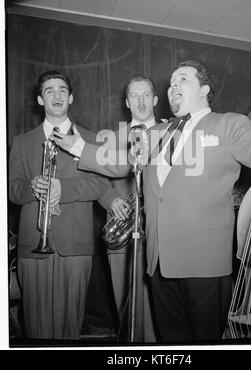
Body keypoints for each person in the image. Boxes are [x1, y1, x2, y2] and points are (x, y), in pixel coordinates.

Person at [54, 61, 251, 342]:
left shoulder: (229, 124)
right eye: (171, 82)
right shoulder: (157, 133)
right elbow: (123, 163)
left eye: (183, 79)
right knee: (171, 341)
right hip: (159, 264)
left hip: (203, 264)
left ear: (204, 89)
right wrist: (82, 147)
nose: (173, 86)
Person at [8, 70, 117, 340]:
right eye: (49, 91)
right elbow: (12, 190)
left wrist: (62, 188)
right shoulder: (22, 142)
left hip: (75, 243)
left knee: (70, 326)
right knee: (35, 325)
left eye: (61, 90)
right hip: (32, 244)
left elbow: (101, 185)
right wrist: (31, 187)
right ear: (40, 100)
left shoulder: (90, 139)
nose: (56, 95)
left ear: (71, 98)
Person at [98, 75, 158, 342]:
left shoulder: (173, 136)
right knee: (127, 309)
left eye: (146, 94)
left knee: (162, 311)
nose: (141, 100)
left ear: (155, 99)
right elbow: (96, 181)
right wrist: (110, 198)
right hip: (123, 232)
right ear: (127, 102)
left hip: (162, 233)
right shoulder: (112, 139)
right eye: (135, 95)